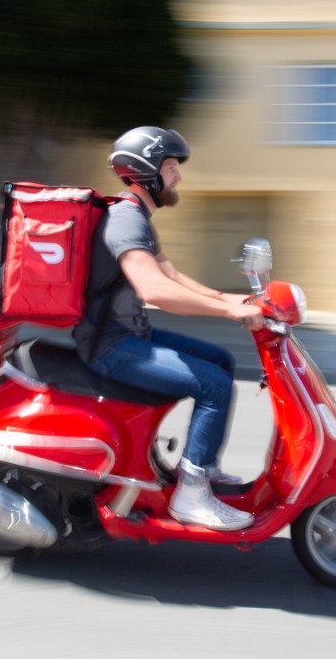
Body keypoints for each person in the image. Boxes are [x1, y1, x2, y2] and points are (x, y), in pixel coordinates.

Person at [73, 125, 264, 531]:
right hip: (111, 345)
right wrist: (228, 314)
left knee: (221, 360)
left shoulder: (137, 215)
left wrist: (226, 299)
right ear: (148, 172)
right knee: (212, 384)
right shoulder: (125, 217)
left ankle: (203, 466)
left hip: (128, 334)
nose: (179, 176)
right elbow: (154, 288)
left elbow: (169, 273)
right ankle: (191, 496)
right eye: (173, 166)